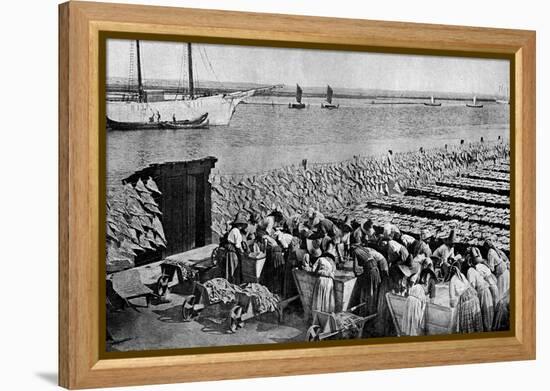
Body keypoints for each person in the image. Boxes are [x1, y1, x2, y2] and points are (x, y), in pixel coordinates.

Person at [448, 261, 483, 333]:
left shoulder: (452, 280)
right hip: (473, 297)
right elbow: (468, 285)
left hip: (466, 300)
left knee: (467, 323)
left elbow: (452, 301)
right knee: (474, 320)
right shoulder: (462, 275)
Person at [350, 244, 382, 316]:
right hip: (376, 270)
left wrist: (356, 275)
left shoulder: (355, 251)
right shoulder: (365, 249)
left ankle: (365, 313)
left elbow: (355, 267)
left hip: (370, 272)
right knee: (374, 292)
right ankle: (372, 312)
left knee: (367, 293)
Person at [466, 257, 494, 332]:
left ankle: (487, 330)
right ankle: (488, 329)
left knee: (485, 312)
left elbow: (472, 285)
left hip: (482, 292)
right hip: (486, 290)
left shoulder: (470, 271)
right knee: (487, 312)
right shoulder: (476, 269)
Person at [311, 240, 337, 313]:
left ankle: (318, 315)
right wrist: (329, 273)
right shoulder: (333, 263)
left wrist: (321, 271)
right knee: (327, 300)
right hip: (329, 282)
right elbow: (334, 272)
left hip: (321, 280)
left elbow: (313, 270)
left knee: (319, 299)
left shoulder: (320, 259)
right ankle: (326, 315)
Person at [223, 214, 248, 284]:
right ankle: (232, 282)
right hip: (232, 251)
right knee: (233, 266)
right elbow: (237, 245)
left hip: (232, 251)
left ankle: (231, 281)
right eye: (240, 224)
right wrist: (242, 252)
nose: (241, 226)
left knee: (232, 266)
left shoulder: (235, 230)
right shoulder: (236, 231)